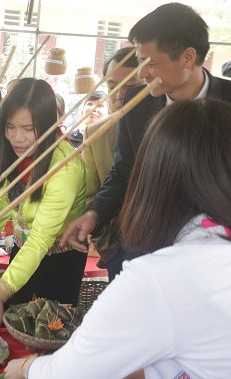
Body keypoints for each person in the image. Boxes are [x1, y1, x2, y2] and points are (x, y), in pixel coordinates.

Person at [2, 98, 231, 379]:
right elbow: (204, 362)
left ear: (152, 178)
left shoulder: (161, 277)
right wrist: (124, 375)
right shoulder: (221, 252)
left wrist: (26, 369)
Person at [60, 2, 231, 281]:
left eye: (150, 63)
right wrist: (94, 213)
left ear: (188, 57)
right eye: (140, 61)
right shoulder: (137, 103)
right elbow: (124, 171)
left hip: (221, 252)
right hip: (148, 244)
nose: (142, 73)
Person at [0, 78, 87, 331]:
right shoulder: (18, 153)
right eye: (10, 127)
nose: (17, 138)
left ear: (49, 123)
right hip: (24, 251)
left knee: (49, 330)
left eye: (29, 129)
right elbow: (8, 194)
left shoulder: (65, 167)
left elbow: (40, 240)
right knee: (14, 323)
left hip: (59, 259)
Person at [82, 47, 145, 267]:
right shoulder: (96, 134)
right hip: (118, 247)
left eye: (131, 86)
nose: (120, 96)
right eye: (112, 87)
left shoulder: (171, 129)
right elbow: (89, 193)